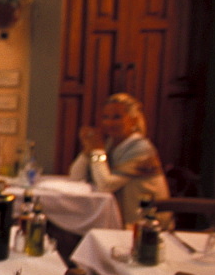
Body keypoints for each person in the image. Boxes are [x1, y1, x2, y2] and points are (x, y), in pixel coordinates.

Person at [69, 92, 170, 225]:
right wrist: (88, 150)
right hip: (118, 217)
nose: (109, 123)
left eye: (117, 117)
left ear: (133, 120)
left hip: (145, 224)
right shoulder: (111, 143)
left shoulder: (141, 148)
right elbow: (75, 177)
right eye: (106, 117)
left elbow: (105, 185)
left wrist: (98, 150)